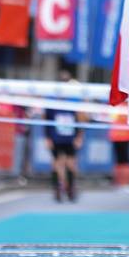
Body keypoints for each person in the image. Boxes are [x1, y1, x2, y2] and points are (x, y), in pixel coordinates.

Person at [44, 70, 84, 202]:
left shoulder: (74, 100)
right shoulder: (51, 101)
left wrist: (79, 136)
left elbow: (80, 119)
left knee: (71, 163)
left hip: (70, 138)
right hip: (56, 137)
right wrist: (47, 137)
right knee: (56, 163)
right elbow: (46, 120)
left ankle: (70, 187)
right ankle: (57, 188)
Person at [108, 105, 129, 187]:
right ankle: (122, 182)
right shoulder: (121, 106)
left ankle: (124, 183)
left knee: (123, 161)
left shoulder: (124, 106)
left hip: (122, 136)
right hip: (120, 136)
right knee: (123, 161)